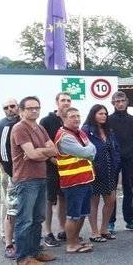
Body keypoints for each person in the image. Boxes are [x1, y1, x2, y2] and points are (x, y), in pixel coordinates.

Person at [11, 96, 58, 265]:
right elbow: (31, 154)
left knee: (38, 218)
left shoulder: (40, 128)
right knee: (25, 220)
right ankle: (23, 258)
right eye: (30, 108)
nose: (34, 110)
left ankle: (35, 252)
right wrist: (43, 152)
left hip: (40, 177)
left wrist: (40, 152)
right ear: (22, 111)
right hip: (26, 179)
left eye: (36, 107)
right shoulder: (19, 128)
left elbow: (53, 149)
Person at [54, 107, 96, 254]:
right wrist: (89, 150)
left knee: (83, 213)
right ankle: (71, 245)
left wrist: (89, 150)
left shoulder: (79, 133)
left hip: (85, 180)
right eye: (72, 116)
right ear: (64, 119)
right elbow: (86, 151)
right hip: (73, 182)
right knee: (73, 215)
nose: (77, 119)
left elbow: (92, 151)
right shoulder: (65, 136)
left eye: (78, 116)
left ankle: (76, 240)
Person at [107, 91, 133, 233]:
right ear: (113, 103)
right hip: (112, 160)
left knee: (129, 190)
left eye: (122, 100)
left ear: (127, 101)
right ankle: (110, 221)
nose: (120, 104)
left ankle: (130, 220)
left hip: (129, 159)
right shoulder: (108, 120)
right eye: (117, 101)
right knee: (111, 191)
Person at [83, 104, 120, 243]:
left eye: (105, 114)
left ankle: (104, 229)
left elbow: (116, 148)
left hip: (110, 170)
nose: (103, 116)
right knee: (94, 201)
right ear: (93, 115)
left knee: (111, 200)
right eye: (100, 113)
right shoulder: (86, 130)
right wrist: (92, 165)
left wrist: (116, 163)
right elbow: (83, 150)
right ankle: (94, 232)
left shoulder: (108, 130)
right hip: (94, 171)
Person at [38, 92, 70, 247]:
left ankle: (62, 230)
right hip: (50, 167)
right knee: (49, 200)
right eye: (63, 100)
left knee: (64, 198)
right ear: (57, 102)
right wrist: (52, 160)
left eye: (68, 100)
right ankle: (47, 232)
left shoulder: (71, 119)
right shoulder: (47, 121)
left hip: (67, 167)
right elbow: (41, 143)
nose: (66, 103)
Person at [0, 97, 19, 259]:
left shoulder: (24, 123)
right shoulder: (1, 125)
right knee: (7, 202)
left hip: (22, 170)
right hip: (8, 169)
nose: (9, 109)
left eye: (12, 106)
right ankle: (5, 235)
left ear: (18, 107)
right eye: (6, 108)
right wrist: (4, 170)